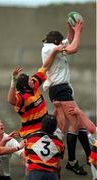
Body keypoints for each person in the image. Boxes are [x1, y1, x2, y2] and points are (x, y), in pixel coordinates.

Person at [41, 20, 96, 175]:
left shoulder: (53, 45)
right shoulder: (51, 48)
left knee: (78, 124)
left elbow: (69, 40)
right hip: (59, 89)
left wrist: (70, 28)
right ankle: (72, 161)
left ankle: (87, 156)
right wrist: (78, 31)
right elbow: (73, 48)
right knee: (75, 123)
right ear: (56, 43)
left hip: (62, 89)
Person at [7, 45, 65, 140]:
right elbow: (10, 100)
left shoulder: (34, 84)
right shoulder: (21, 97)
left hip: (45, 129)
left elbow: (45, 66)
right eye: (29, 80)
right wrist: (13, 80)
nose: (32, 80)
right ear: (25, 86)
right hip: (31, 133)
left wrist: (55, 51)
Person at [24, 114, 65, 180]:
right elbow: (58, 163)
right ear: (54, 128)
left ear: (41, 125)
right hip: (52, 175)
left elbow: (26, 158)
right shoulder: (59, 143)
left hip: (34, 174)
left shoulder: (31, 138)